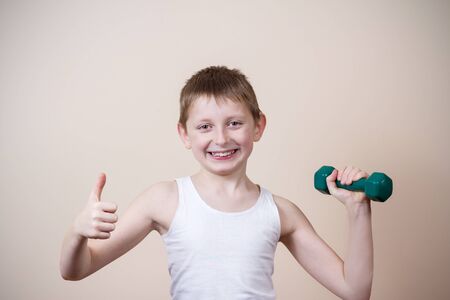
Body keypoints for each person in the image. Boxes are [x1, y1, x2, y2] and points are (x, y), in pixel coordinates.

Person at [60, 66, 373, 300]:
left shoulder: (281, 212)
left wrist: (358, 210)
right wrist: (77, 233)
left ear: (258, 126)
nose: (221, 139)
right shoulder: (164, 200)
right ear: (185, 134)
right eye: (205, 126)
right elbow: (76, 270)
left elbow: (355, 290)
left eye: (234, 123)